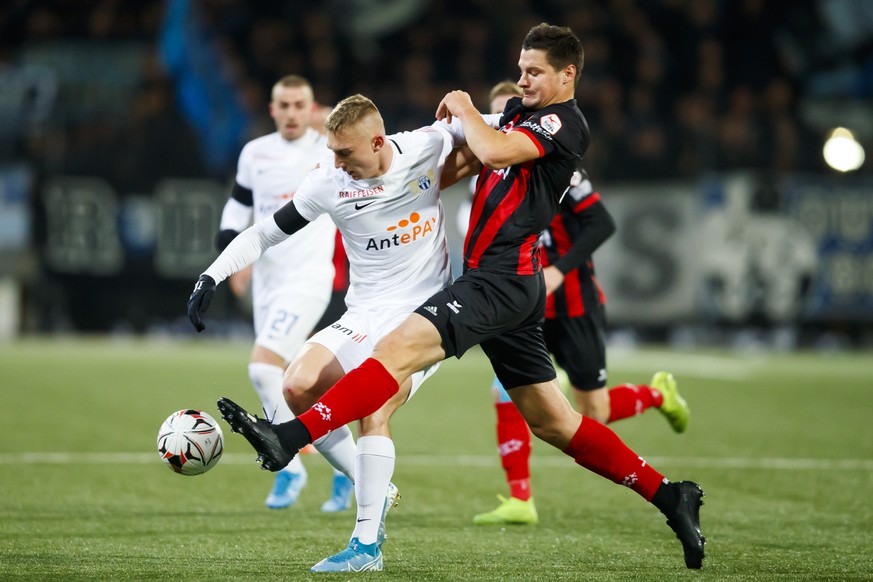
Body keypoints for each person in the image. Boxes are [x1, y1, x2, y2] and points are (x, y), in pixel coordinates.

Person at [201, 24, 706, 570]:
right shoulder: (517, 115)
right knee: (555, 423)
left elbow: (487, 151)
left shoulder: (564, 123)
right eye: (520, 69)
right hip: (505, 284)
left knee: (390, 356)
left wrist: (463, 106)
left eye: (534, 72)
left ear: (568, 75)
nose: (522, 80)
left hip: (497, 281)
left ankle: (289, 438)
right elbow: (461, 155)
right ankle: (669, 494)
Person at [188, 93, 489, 571]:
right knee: (295, 384)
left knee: (373, 405)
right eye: (331, 151)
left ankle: (366, 546)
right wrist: (213, 274)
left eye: (344, 152)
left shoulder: (425, 146)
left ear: (377, 141)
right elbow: (265, 231)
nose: (335, 161)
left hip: (421, 318)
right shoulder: (329, 182)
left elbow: (505, 127)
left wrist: (497, 116)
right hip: (363, 310)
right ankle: (374, 485)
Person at [470, 82, 691, 526]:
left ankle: (655, 395)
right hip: (524, 305)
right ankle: (521, 498)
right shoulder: (491, 177)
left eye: (507, 117)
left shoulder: (561, 170)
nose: (505, 126)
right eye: (495, 120)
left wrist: (558, 270)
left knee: (594, 412)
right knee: (507, 393)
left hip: (573, 305)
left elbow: (600, 223)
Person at [214, 74, 353, 512]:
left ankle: (289, 464)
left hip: (310, 280)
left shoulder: (329, 152)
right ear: (272, 110)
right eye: (284, 105)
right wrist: (233, 259)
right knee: (299, 384)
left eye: (300, 105)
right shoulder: (254, 154)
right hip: (268, 285)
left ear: (312, 109)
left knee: (262, 368)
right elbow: (237, 207)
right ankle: (343, 469)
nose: (292, 113)